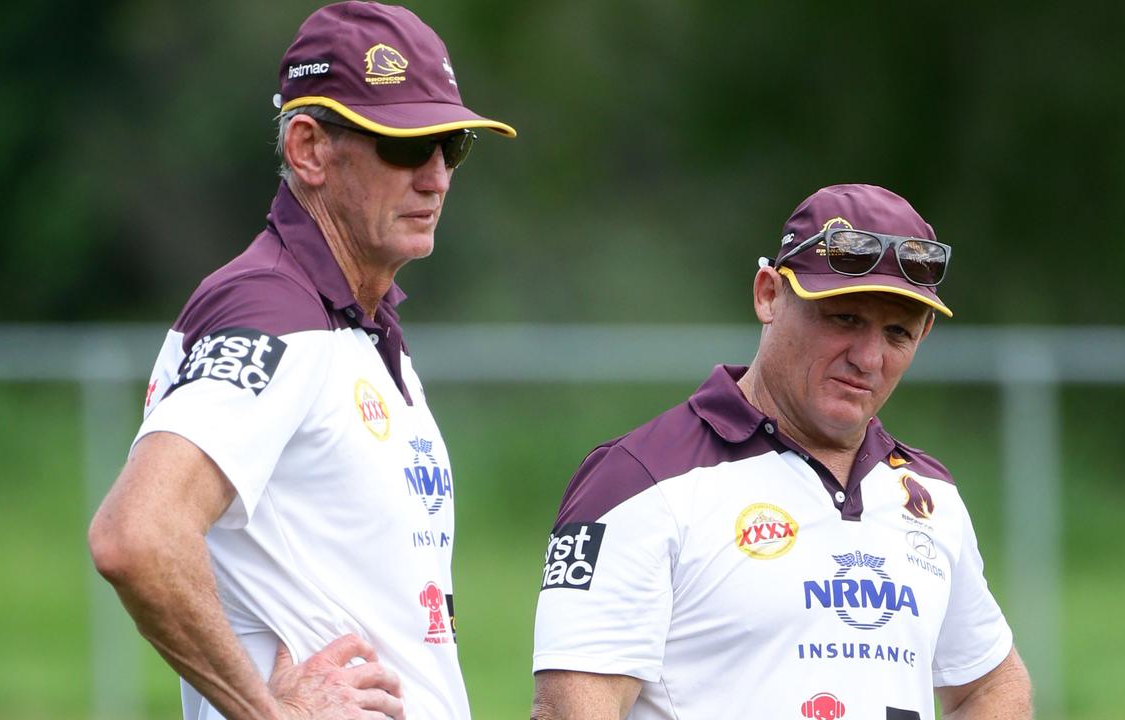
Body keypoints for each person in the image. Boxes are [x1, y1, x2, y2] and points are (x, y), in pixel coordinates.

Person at [87, 3, 514, 719]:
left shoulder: (353, 323)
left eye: (452, 145)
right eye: (406, 145)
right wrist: (269, 713)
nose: (436, 177)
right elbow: (137, 535)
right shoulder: (272, 313)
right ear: (309, 149)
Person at [530, 184, 1032, 719]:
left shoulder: (928, 496)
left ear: (924, 334)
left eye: (897, 334)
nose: (868, 357)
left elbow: (990, 684)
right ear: (769, 293)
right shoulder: (639, 480)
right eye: (845, 319)